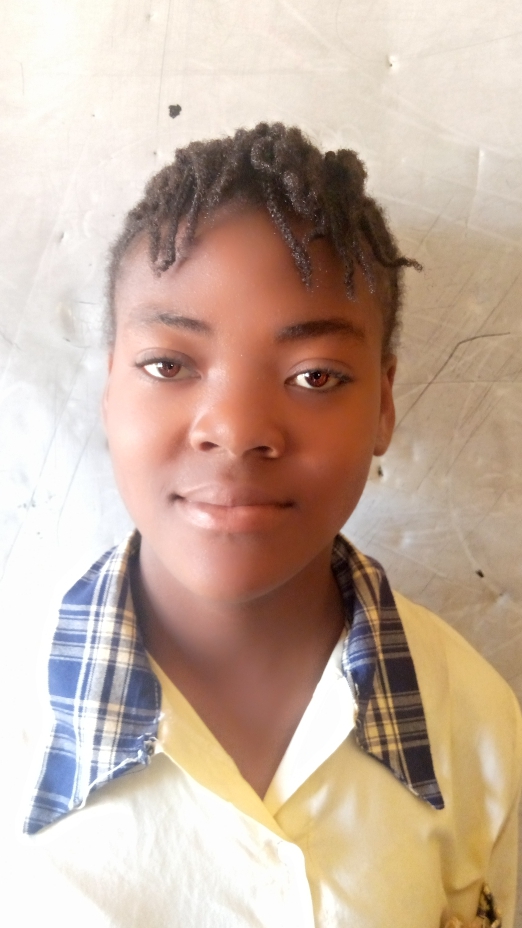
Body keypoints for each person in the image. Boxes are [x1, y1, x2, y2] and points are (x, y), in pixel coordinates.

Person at [21, 123, 521, 927]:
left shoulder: (480, 729)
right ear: (110, 389)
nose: (237, 429)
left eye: (314, 375)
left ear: (383, 404)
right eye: (168, 364)